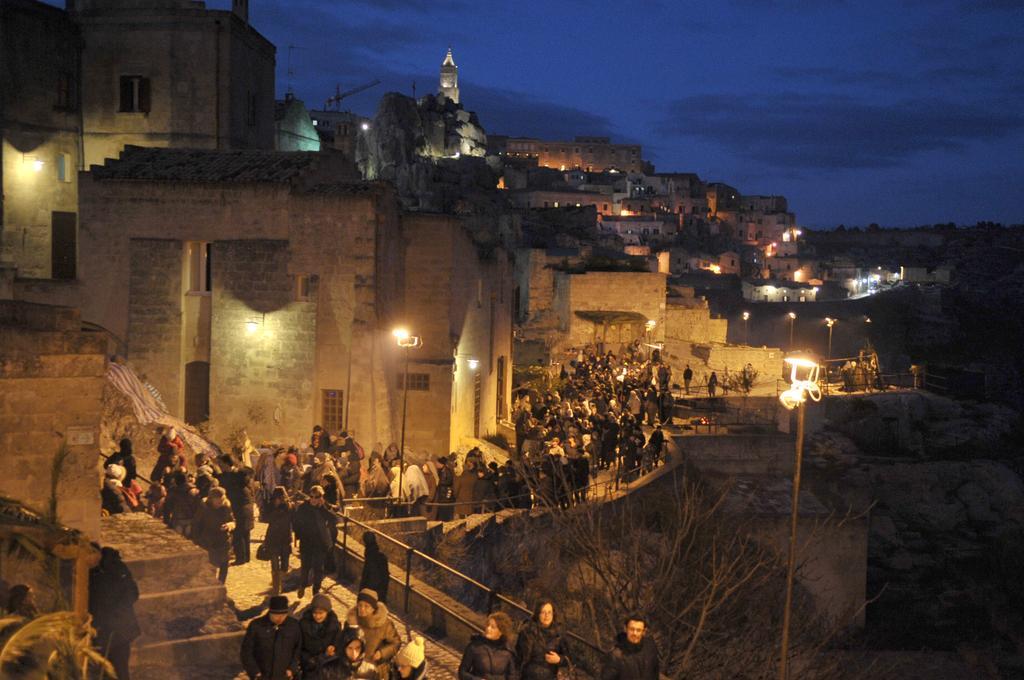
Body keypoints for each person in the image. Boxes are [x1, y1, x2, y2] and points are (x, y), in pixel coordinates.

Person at [89, 546, 141, 680]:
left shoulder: (116, 567)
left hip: (118, 632)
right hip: (99, 634)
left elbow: (133, 593)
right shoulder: (88, 574)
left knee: (120, 670)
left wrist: (115, 614)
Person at [241, 595, 302, 680]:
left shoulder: (294, 625)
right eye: (276, 615)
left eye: (283, 614)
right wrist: (255, 672)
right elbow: (246, 651)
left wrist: (292, 669)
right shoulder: (256, 625)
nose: (280, 618)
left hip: (284, 676)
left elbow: (298, 649)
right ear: (270, 612)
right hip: (262, 676)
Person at [293, 485, 337, 598]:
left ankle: (316, 591)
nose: (313, 499)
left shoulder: (323, 507)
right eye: (311, 496)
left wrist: (323, 508)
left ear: (321, 497)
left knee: (319, 569)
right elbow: (296, 523)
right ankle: (302, 586)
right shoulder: (304, 507)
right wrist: (300, 534)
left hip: (320, 543)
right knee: (305, 567)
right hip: (307, 542)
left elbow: (334, 519)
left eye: (316, 497)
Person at [345, 589, 401, 672]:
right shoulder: (351, 621)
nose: (362, 609)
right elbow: (344, 642)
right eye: (360, 605)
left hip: (375, 669)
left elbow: (396, 643)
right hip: (353, 667)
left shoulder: (385, 624)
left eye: (366, 606)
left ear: (373, 608)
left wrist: (382, 653)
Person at [192, 485, 234, 583]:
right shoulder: (204, 508)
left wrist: (229, 525)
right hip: (209, 543)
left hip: (224, 542)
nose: (221, 503)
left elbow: (233, 521)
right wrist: (196, 541)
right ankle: (211, 587)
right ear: (212, 499)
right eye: (218, 501)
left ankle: (221, 586)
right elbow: (196, 525)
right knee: (211, 568)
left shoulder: (226, 506)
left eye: (222, 500)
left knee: (224, 566)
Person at [516, 600, 567, 680]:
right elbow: (518, 657)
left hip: (550, 676)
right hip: (528, 676)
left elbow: (569, 658)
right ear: (537, 614)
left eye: (549, 612)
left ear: (553, 614)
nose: (546, 615)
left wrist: (559, 659)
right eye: (543, 612)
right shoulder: (527, 631)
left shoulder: (559, 633)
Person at [458, 611, 516, 680]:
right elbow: (462, 673)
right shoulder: (475, 646)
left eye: (493, 627)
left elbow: (512, 676)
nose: (488, 629)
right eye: (488, 625)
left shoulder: (508, 652)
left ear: (501, 631)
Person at [600, 614, 660, 680]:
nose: (635, 633)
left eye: (638, 630)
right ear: (625, 629)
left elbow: (655, 674)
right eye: (632, 629)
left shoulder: (650, 650)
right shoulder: (615, 656)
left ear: (644, 632)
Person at [299, 593, 342, 679]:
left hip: (327, 670)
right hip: (309, 668)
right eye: (315, 613)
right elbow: (299, 647)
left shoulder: (335, 625)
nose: (317, 616)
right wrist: (310, 660)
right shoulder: (303, 625)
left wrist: (333, 648)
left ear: (327, 612)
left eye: (321, 613)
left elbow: (338, 644)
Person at [264, 486, 294, 595]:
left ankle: (279, 584)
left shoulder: (288, 506)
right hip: (276, 539)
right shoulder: (273, 506)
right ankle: (277, 588)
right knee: (275, 565)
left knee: (284, 565)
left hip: (282, 538)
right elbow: (267, 518)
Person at [359, 531, 390, 605]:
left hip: (371, 590)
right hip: (380, 590)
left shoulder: (369, 556)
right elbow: (385, 576)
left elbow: (366, 576)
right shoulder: (381, 557)